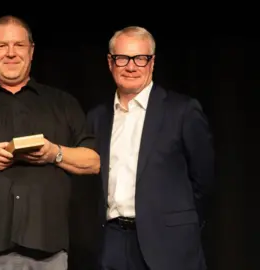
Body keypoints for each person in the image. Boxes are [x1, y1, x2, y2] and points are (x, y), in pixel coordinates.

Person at [0, 15, 100, 270]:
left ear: (31, 51)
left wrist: (54, 153)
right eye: (2, 46)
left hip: (48, 251)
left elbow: (93, 162)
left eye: (19, 45)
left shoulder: (63, 103)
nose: (11, 53)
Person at [87, 26, 214, 270]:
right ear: (110, 62)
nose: (131, 67)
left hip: (169, 244)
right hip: (112, 243)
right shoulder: (97, 118)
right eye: (122, 58)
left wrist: (175, 223)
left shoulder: (182, 110)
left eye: (140, 59)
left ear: (152, 62)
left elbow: (204, 180)